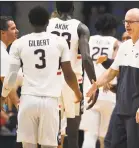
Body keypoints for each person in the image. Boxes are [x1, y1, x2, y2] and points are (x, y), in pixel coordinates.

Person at [1, 6, 82, 148]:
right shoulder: (59, 42)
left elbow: (12, 75)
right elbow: (68, 74)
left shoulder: (19, 43)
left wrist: (3, 96)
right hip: (50, 102)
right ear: (47, 22)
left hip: (27, 100)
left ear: (30, 22)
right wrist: (77, 92)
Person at [86, 8, 139, 148]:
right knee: (112, 144)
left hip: (138, 111)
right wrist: (95, 85)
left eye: (131, 22)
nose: (127, 25)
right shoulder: (125, 46)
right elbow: (111, 72)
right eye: (125, 21)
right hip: (121, 108)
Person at [47, 2, 98, 148]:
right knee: (73, 129)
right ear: (73, 9)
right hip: (72, 81)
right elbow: (87, 58)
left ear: (56, 9)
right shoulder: (81, 27)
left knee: (53, 129)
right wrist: (95, 84)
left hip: (51, 79)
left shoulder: (47, 25)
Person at [80, 13, 120, 148]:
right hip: (109, 93)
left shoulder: (89, 40)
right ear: (113, 28)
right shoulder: (116, 43)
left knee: (90, 136)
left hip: (90, 92)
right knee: (106, 139)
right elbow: (117, 66)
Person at [0, 16, 20, 111]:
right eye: (13, 29)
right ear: (2, 32)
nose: (17, 31)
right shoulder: (2, 54)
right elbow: (7, 83)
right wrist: (18, 105)